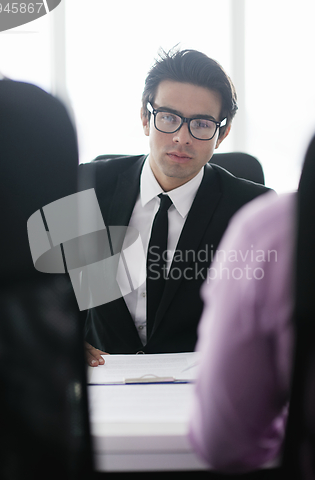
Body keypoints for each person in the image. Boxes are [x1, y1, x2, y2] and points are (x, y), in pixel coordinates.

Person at [80, 48, 272, 367]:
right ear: (146, 118)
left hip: (203, 384)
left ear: (222, 134)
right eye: (169, 118)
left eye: (201, 124)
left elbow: (271, 319)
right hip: (103, 378)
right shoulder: (86, 185)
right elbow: (44, 294)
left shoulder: (253, 209)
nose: (182, 138)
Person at [188, 189, 295, 472]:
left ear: (220, 141)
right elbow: (59, 275)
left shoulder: (266, 220)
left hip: (197, 375)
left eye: (202, 137)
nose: (181, 140)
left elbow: (227, 444)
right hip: (103, 369)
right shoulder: (91, 185)